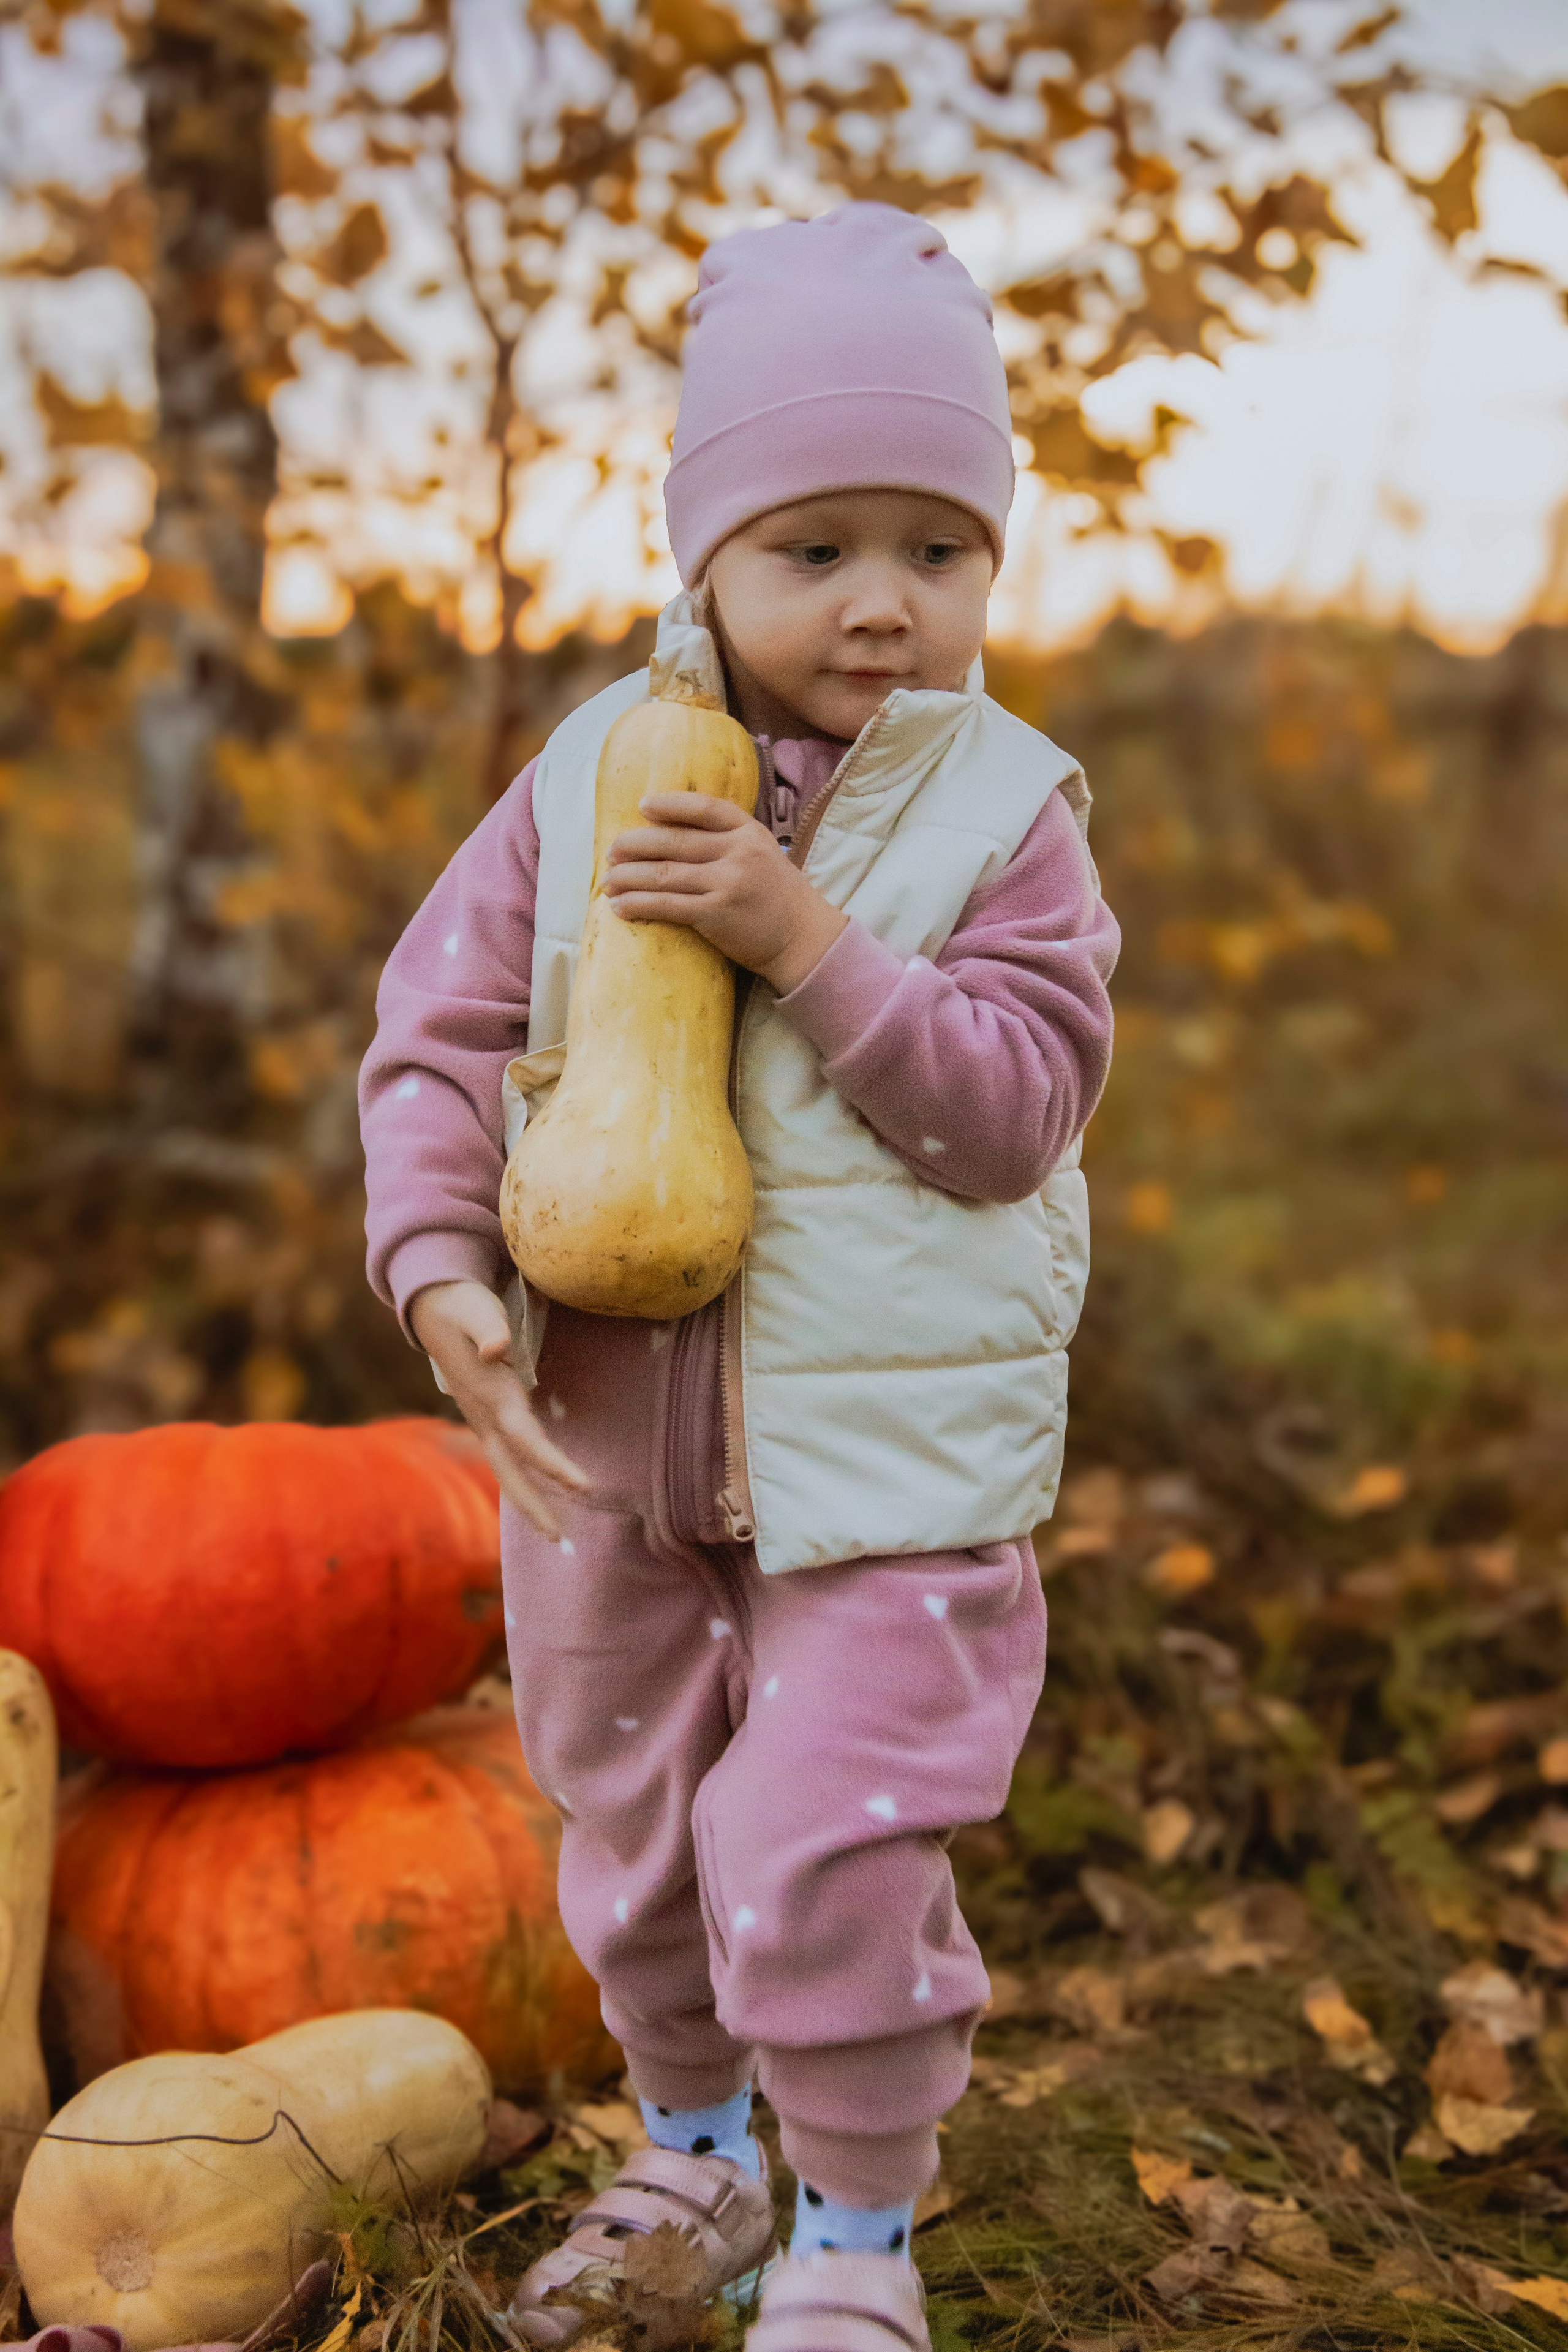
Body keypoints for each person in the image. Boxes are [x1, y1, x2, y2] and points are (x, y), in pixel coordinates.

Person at [360, 202, 1119, 2352]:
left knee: (823, 1845)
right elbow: (435, 1043)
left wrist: (806, 939)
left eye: (938, 547)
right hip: (606, 1444)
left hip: (891, 1464)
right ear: (698, 549)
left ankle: (857, 2238)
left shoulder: (1007, 818)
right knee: (634, 1832)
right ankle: (692, 2149)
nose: (885, 602)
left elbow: (1011, 1108)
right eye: (816, 546)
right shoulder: (587, 776)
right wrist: (442, 1273)